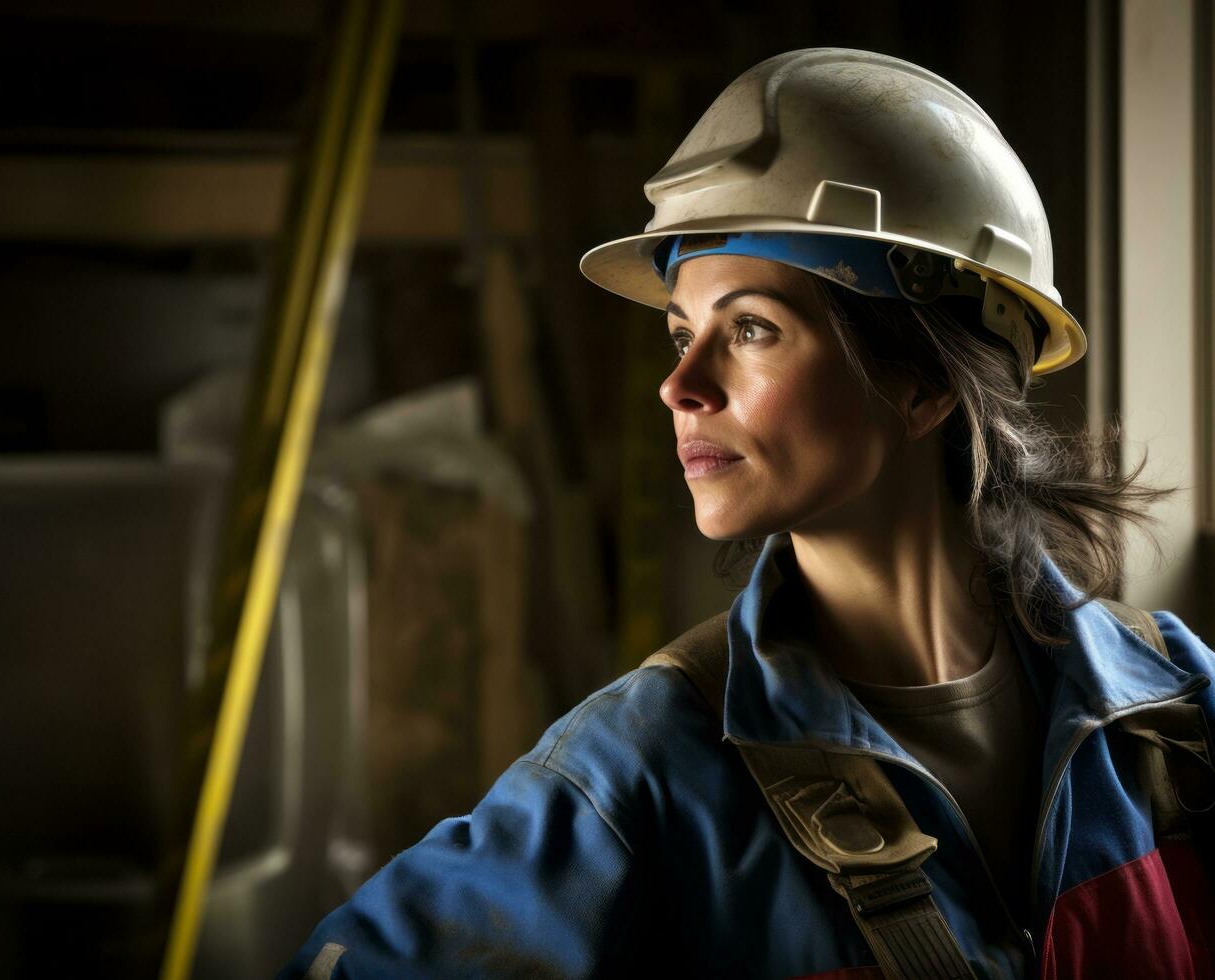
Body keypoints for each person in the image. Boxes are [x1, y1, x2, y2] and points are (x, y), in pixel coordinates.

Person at [279, 48, 1215, 979]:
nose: (678, 386)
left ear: (924, 379)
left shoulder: (1168, 715)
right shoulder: (639, 773)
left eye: (751, 329)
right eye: (683, 335)